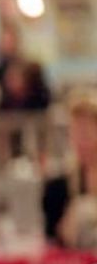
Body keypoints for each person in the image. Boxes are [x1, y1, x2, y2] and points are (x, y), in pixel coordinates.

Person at [44, 89, 97, 249]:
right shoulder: (58, 187)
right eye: (75, 133)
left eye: (86, 133)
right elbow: (52, 242)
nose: (80, 141)